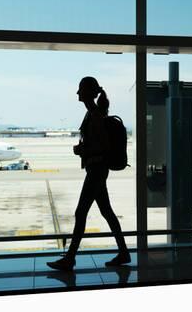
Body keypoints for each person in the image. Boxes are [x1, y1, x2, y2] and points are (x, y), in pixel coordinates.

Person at [47, 76, 130, 272]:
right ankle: (124, 252)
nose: (77, 93)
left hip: (96, 170)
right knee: (106, 211)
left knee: (80, 212)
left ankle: (70, 258)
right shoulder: (93, 113)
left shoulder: (95, 115)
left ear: (88, 93)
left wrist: (82, 151)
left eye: (80, 89)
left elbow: (103, 146)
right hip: (96, 169)